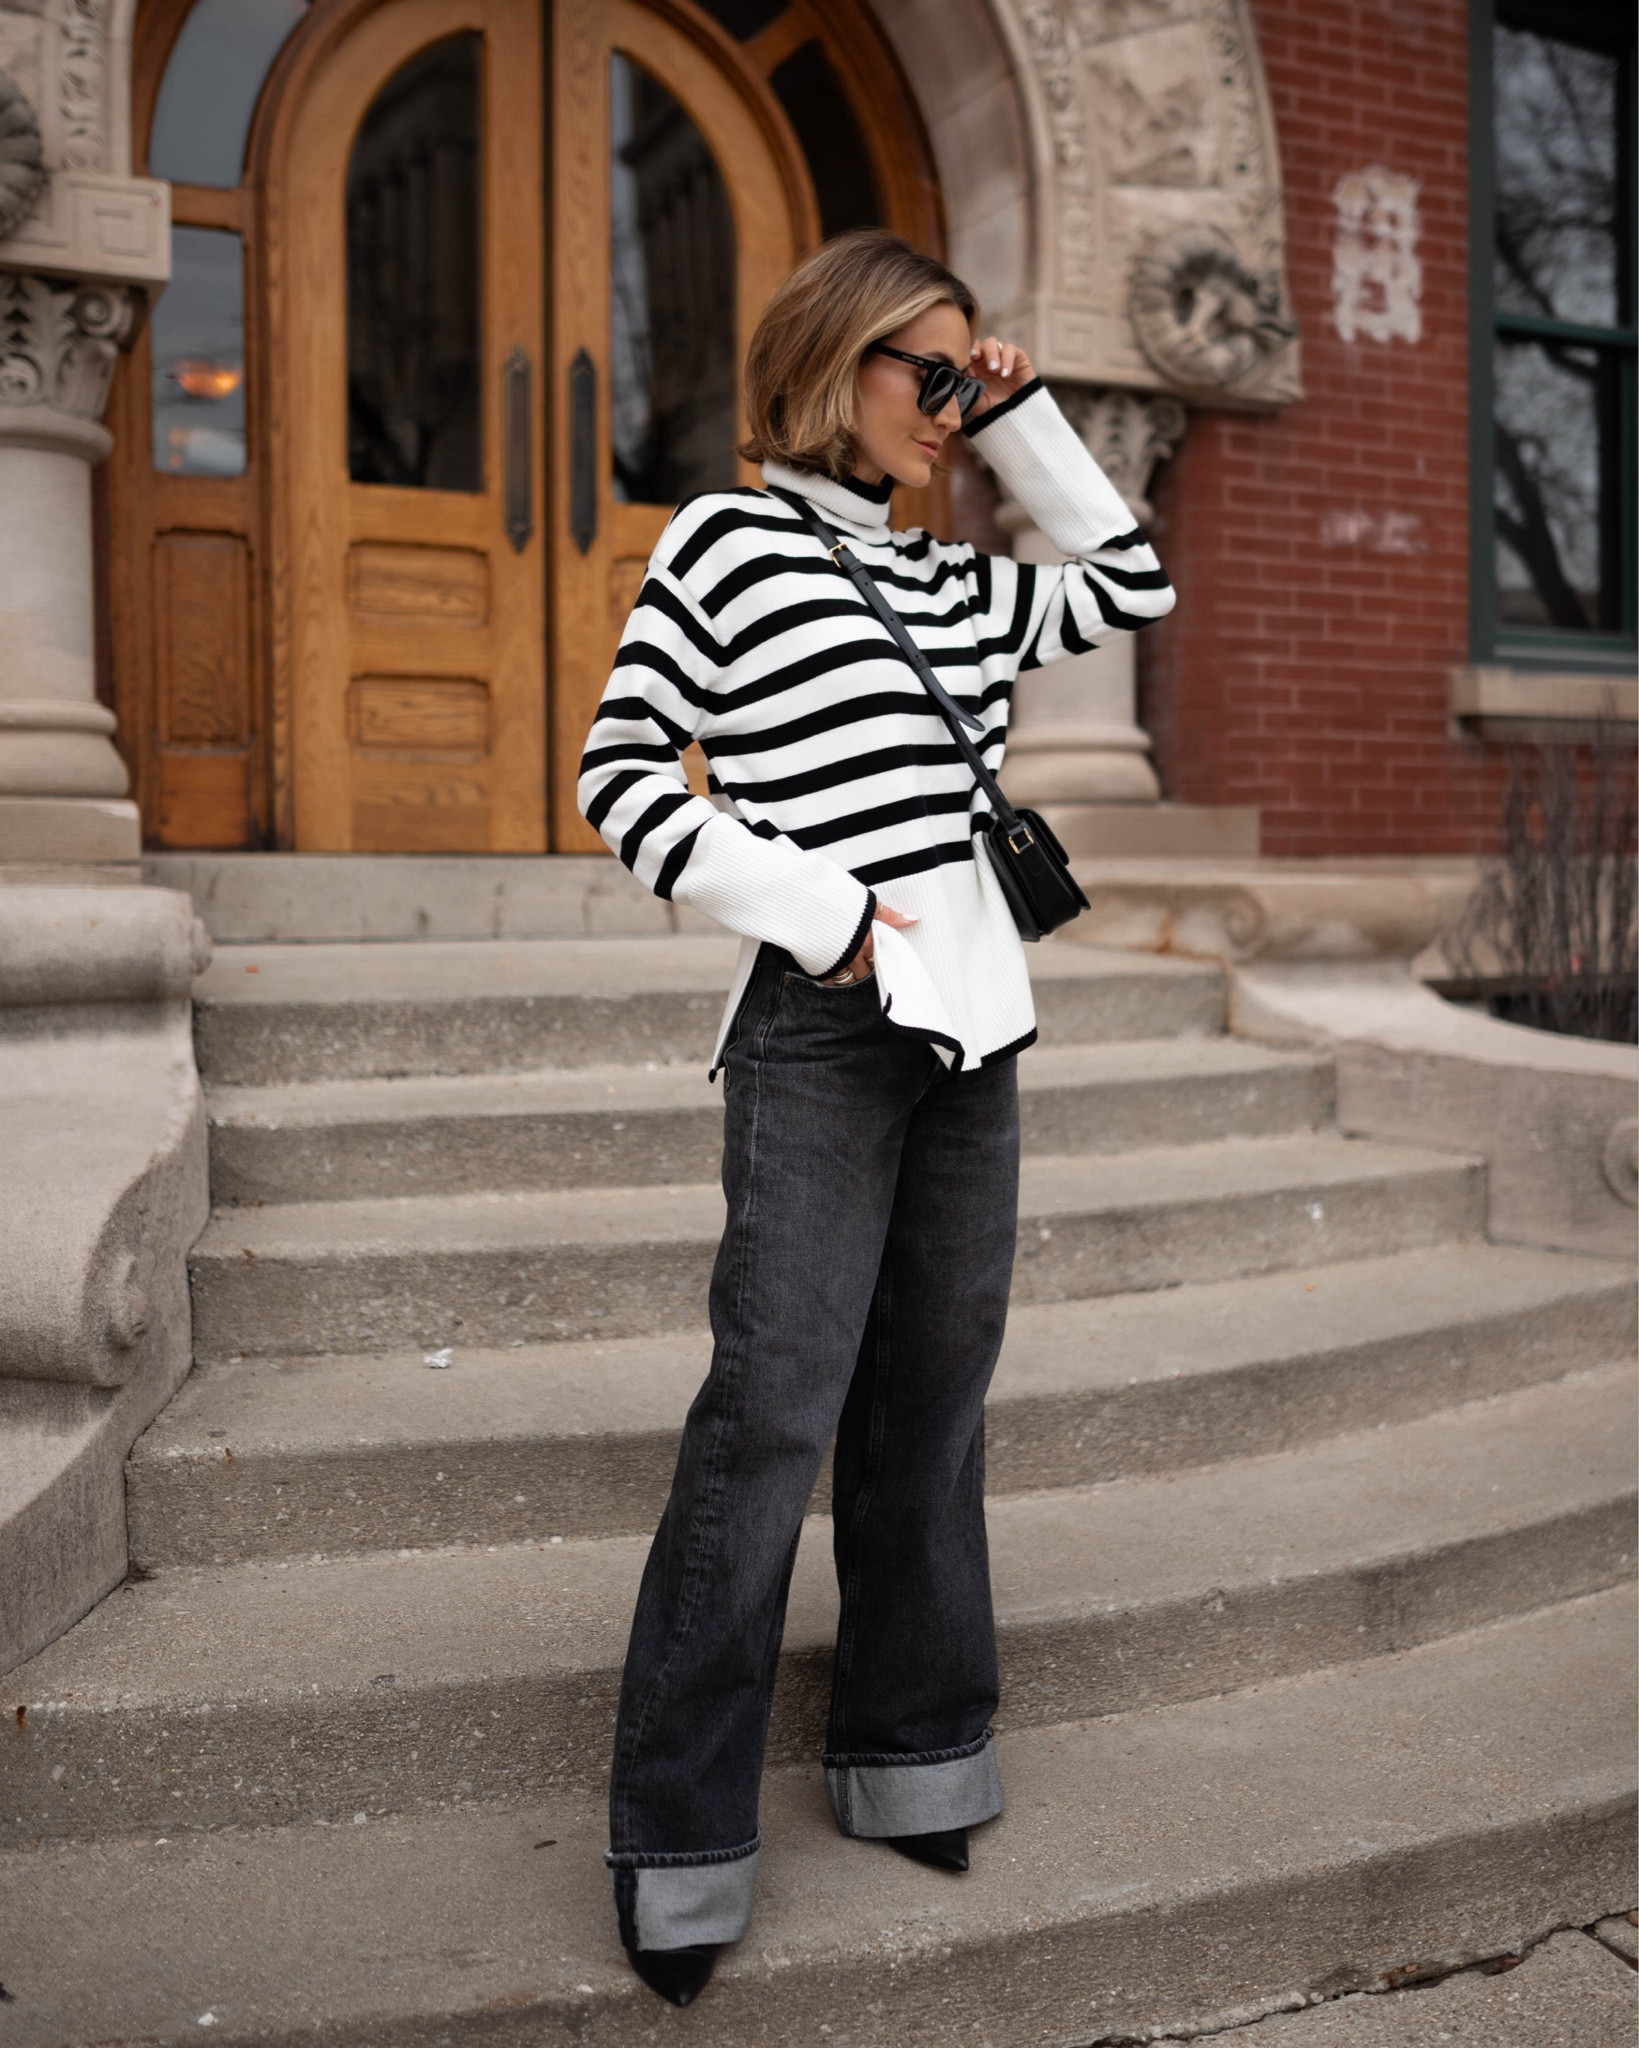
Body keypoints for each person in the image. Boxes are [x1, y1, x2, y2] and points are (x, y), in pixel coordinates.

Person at [577, 228, 1175, 2008]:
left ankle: (914, 1751)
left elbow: (1131, 577)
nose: (948, 406)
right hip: (824, 1031)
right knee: (772, 1414)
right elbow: (622, 778)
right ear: (833, 361)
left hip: (976, 1030)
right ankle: (680, 1833)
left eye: (966, 377)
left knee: (931, 1406)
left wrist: (1027, 416)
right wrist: (820, 915)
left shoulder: (956, 578)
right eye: (931, 372)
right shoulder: (725, 544)